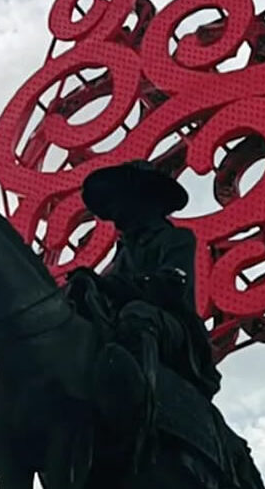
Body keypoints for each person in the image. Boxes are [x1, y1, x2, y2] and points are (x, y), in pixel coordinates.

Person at [73, 160, 222, 401]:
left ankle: (143, 402)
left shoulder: (176, 238)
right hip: (122, 321)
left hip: (175, 330)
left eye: (120, 198)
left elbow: (168, 287)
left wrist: (106, 285)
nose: (114, 208)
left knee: (138, 314)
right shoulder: (123, 251)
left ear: (141, 200)